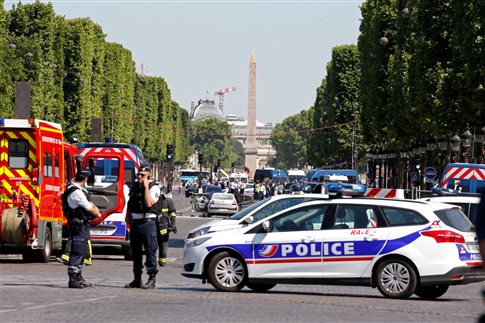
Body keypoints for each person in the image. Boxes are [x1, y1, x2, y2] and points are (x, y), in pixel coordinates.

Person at [62, 168, 101, 289]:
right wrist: (98, 214)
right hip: (77, 224)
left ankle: (78, 276)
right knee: (77, 250)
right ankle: (73, 278)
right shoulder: (76, 192)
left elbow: (90, 204)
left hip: (81, 224)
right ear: (85, 178)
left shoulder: (79, 190)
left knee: (81, 249)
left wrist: (95, 210)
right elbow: (89, 207)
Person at [125, 166, 160, 289]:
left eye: (142, 175)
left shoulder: (153, 187)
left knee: (150, 251)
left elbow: (149, 203)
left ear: (149, 175)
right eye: (138, 174)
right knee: (136, 252)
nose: (139, 177)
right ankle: (137, 279)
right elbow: (130, 202)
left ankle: (151, 278)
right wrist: (127, 215)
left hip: (148, 223)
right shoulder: (135, 186)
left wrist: (145, 187)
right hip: (135, 222)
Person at [157, 188, 177, 267]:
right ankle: (152, 261)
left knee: (163, 245)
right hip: (153, 226)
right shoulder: (152, 200)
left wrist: (173, 225)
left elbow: (172, 213)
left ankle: (162, 261)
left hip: (164, 227)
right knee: (152, 245)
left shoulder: (168, 201)